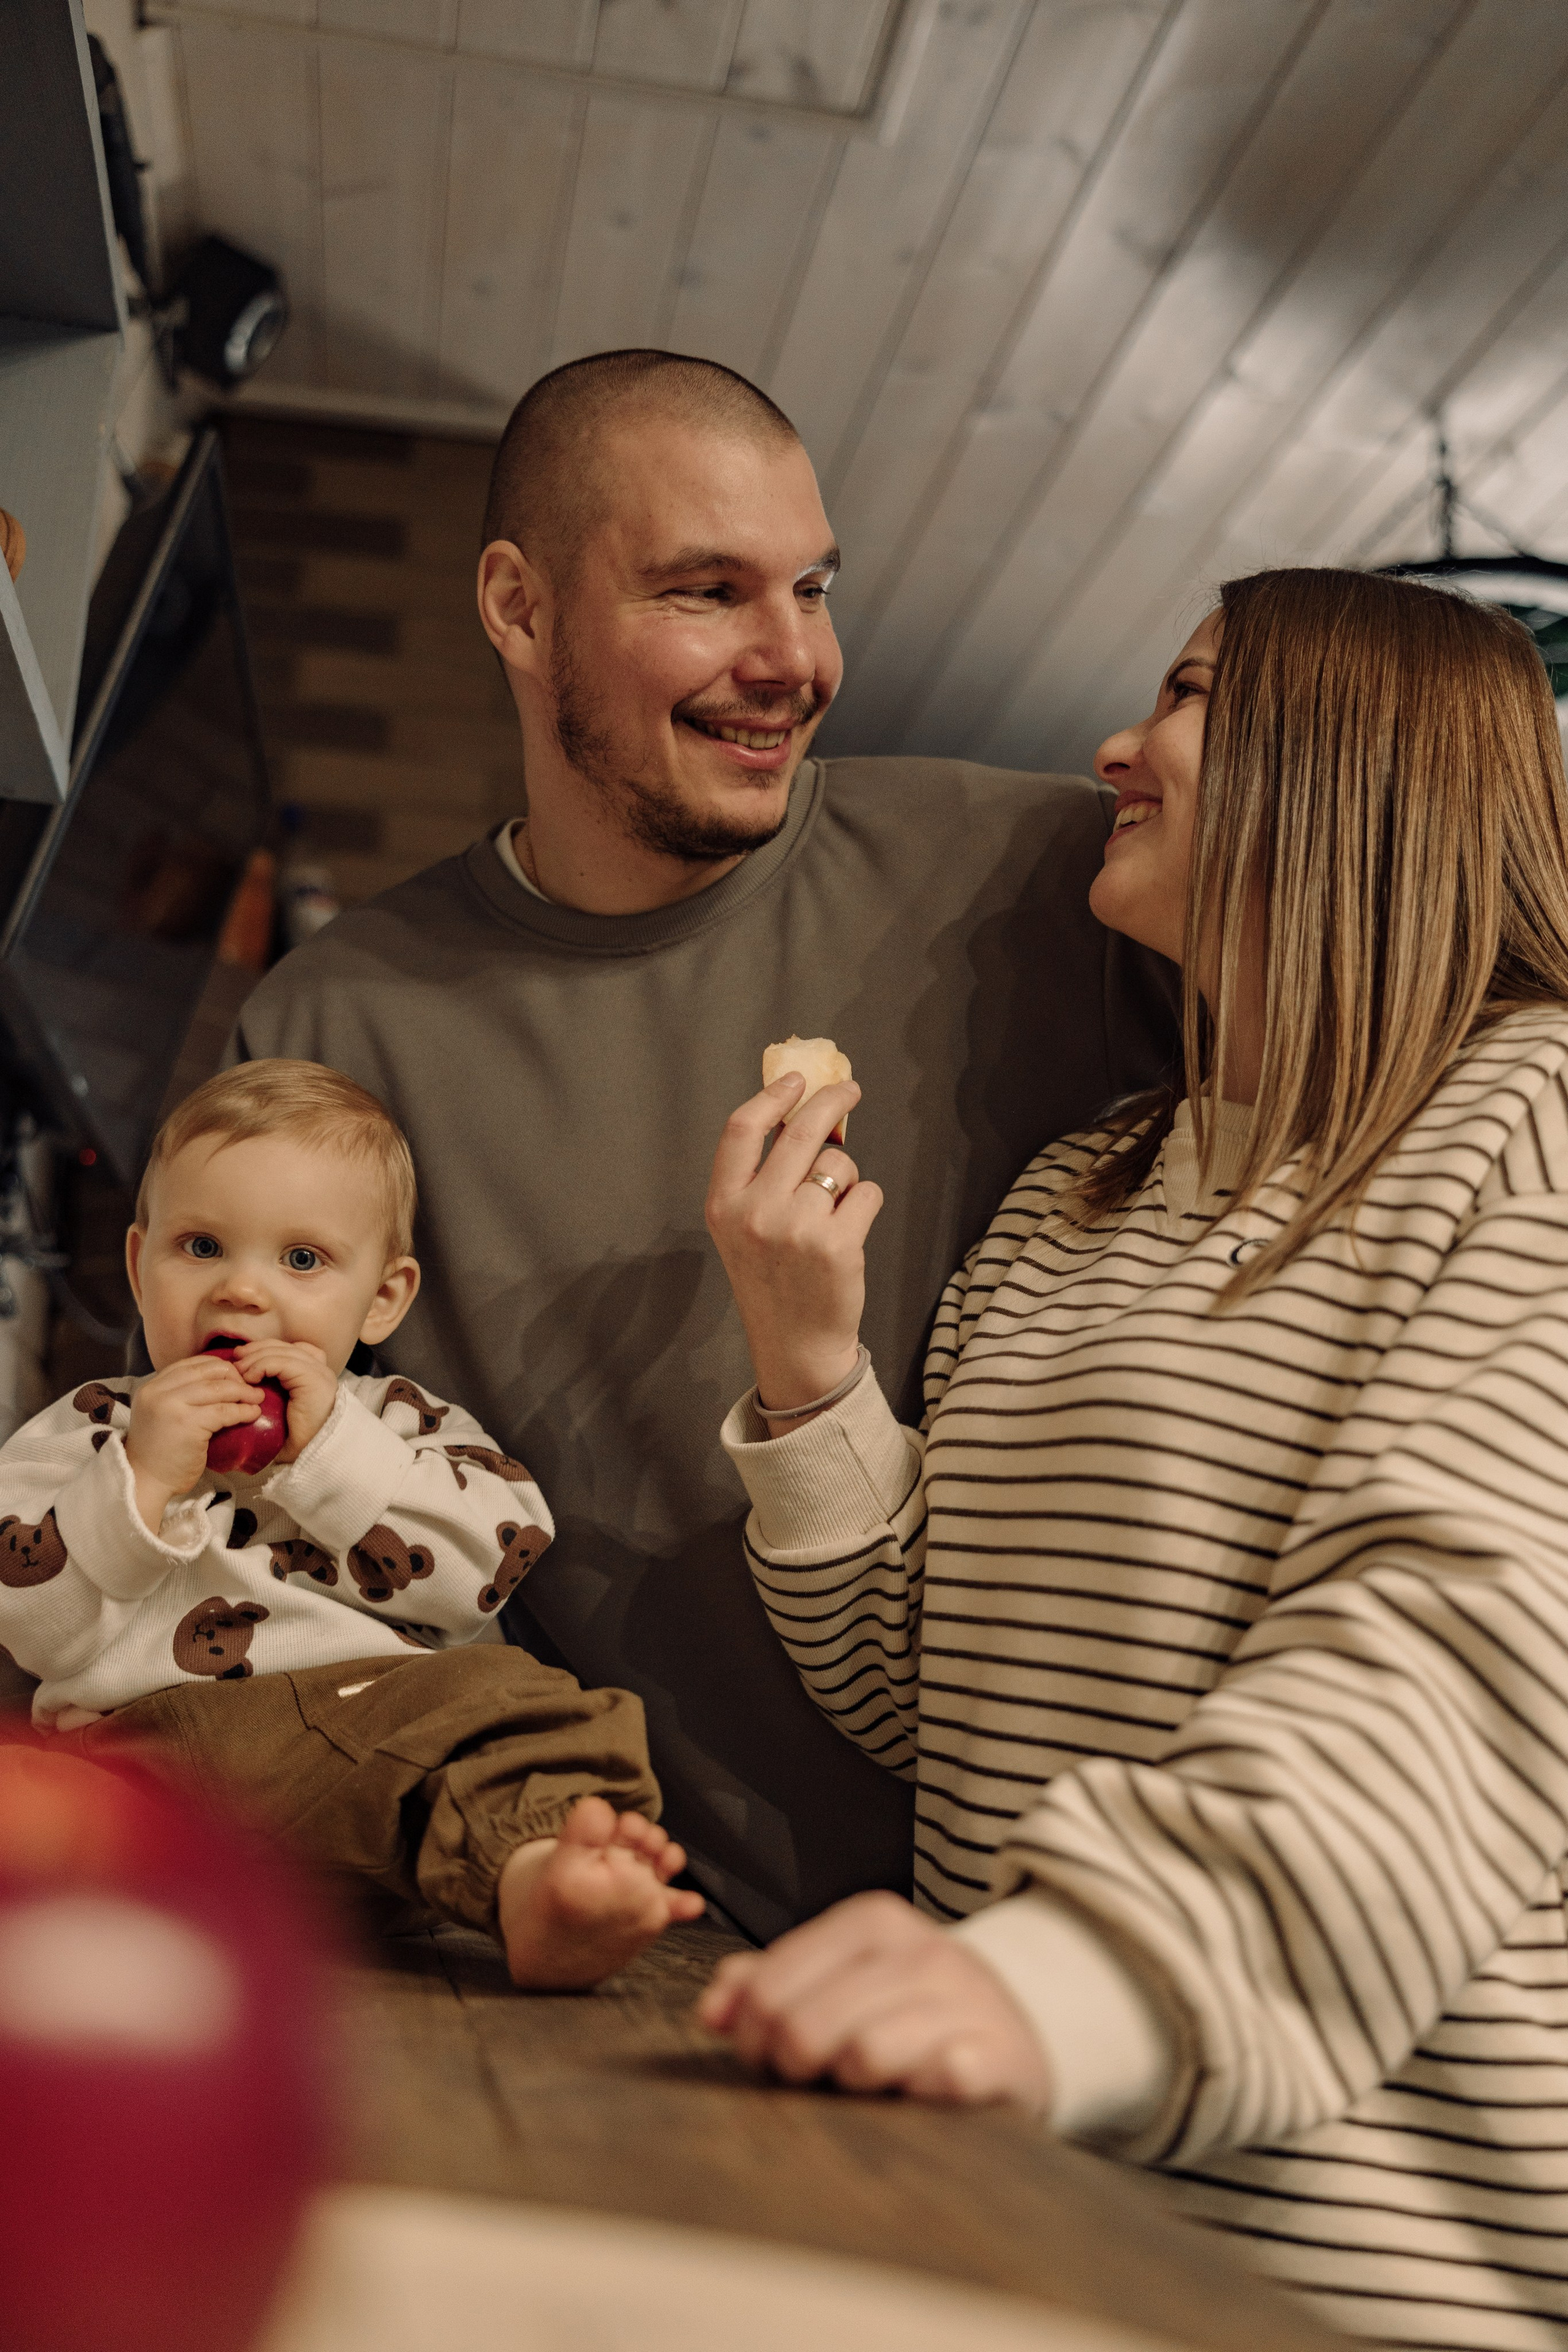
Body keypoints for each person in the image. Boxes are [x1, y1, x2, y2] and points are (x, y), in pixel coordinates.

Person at [700, 567, 1568, 2347]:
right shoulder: (1075, 1196)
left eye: (1182, 694)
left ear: (1354, 761)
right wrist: (805, 1363)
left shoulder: (1531, 1123)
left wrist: (1077, 1984)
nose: (1111, 745)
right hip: (1021, 2211)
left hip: (1353, 2262)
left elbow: (1468, 1651)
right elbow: (916, 1696)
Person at [230, 348, 1177, 1942]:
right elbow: (283, 1559)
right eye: (706, 592)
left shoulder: (1056, 876)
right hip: (638, 1943)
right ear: (520, 610)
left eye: (810, 585)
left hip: (1092, 1944)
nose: (792, 657)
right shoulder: (332, 1037)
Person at [0, 1061, 701, 1987]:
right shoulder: (90, 1427)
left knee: (518, 1703)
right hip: (142, 1762)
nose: (243, 1292)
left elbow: (483, 1572)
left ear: (383, 1298)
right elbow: (31, 1628)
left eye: (301, 1260)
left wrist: (326, 1454)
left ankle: (534, 1882)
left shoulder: (404, 1427)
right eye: (201, 1246)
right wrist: (138, 1482)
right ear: (139, 1265)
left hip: (372, 1752)